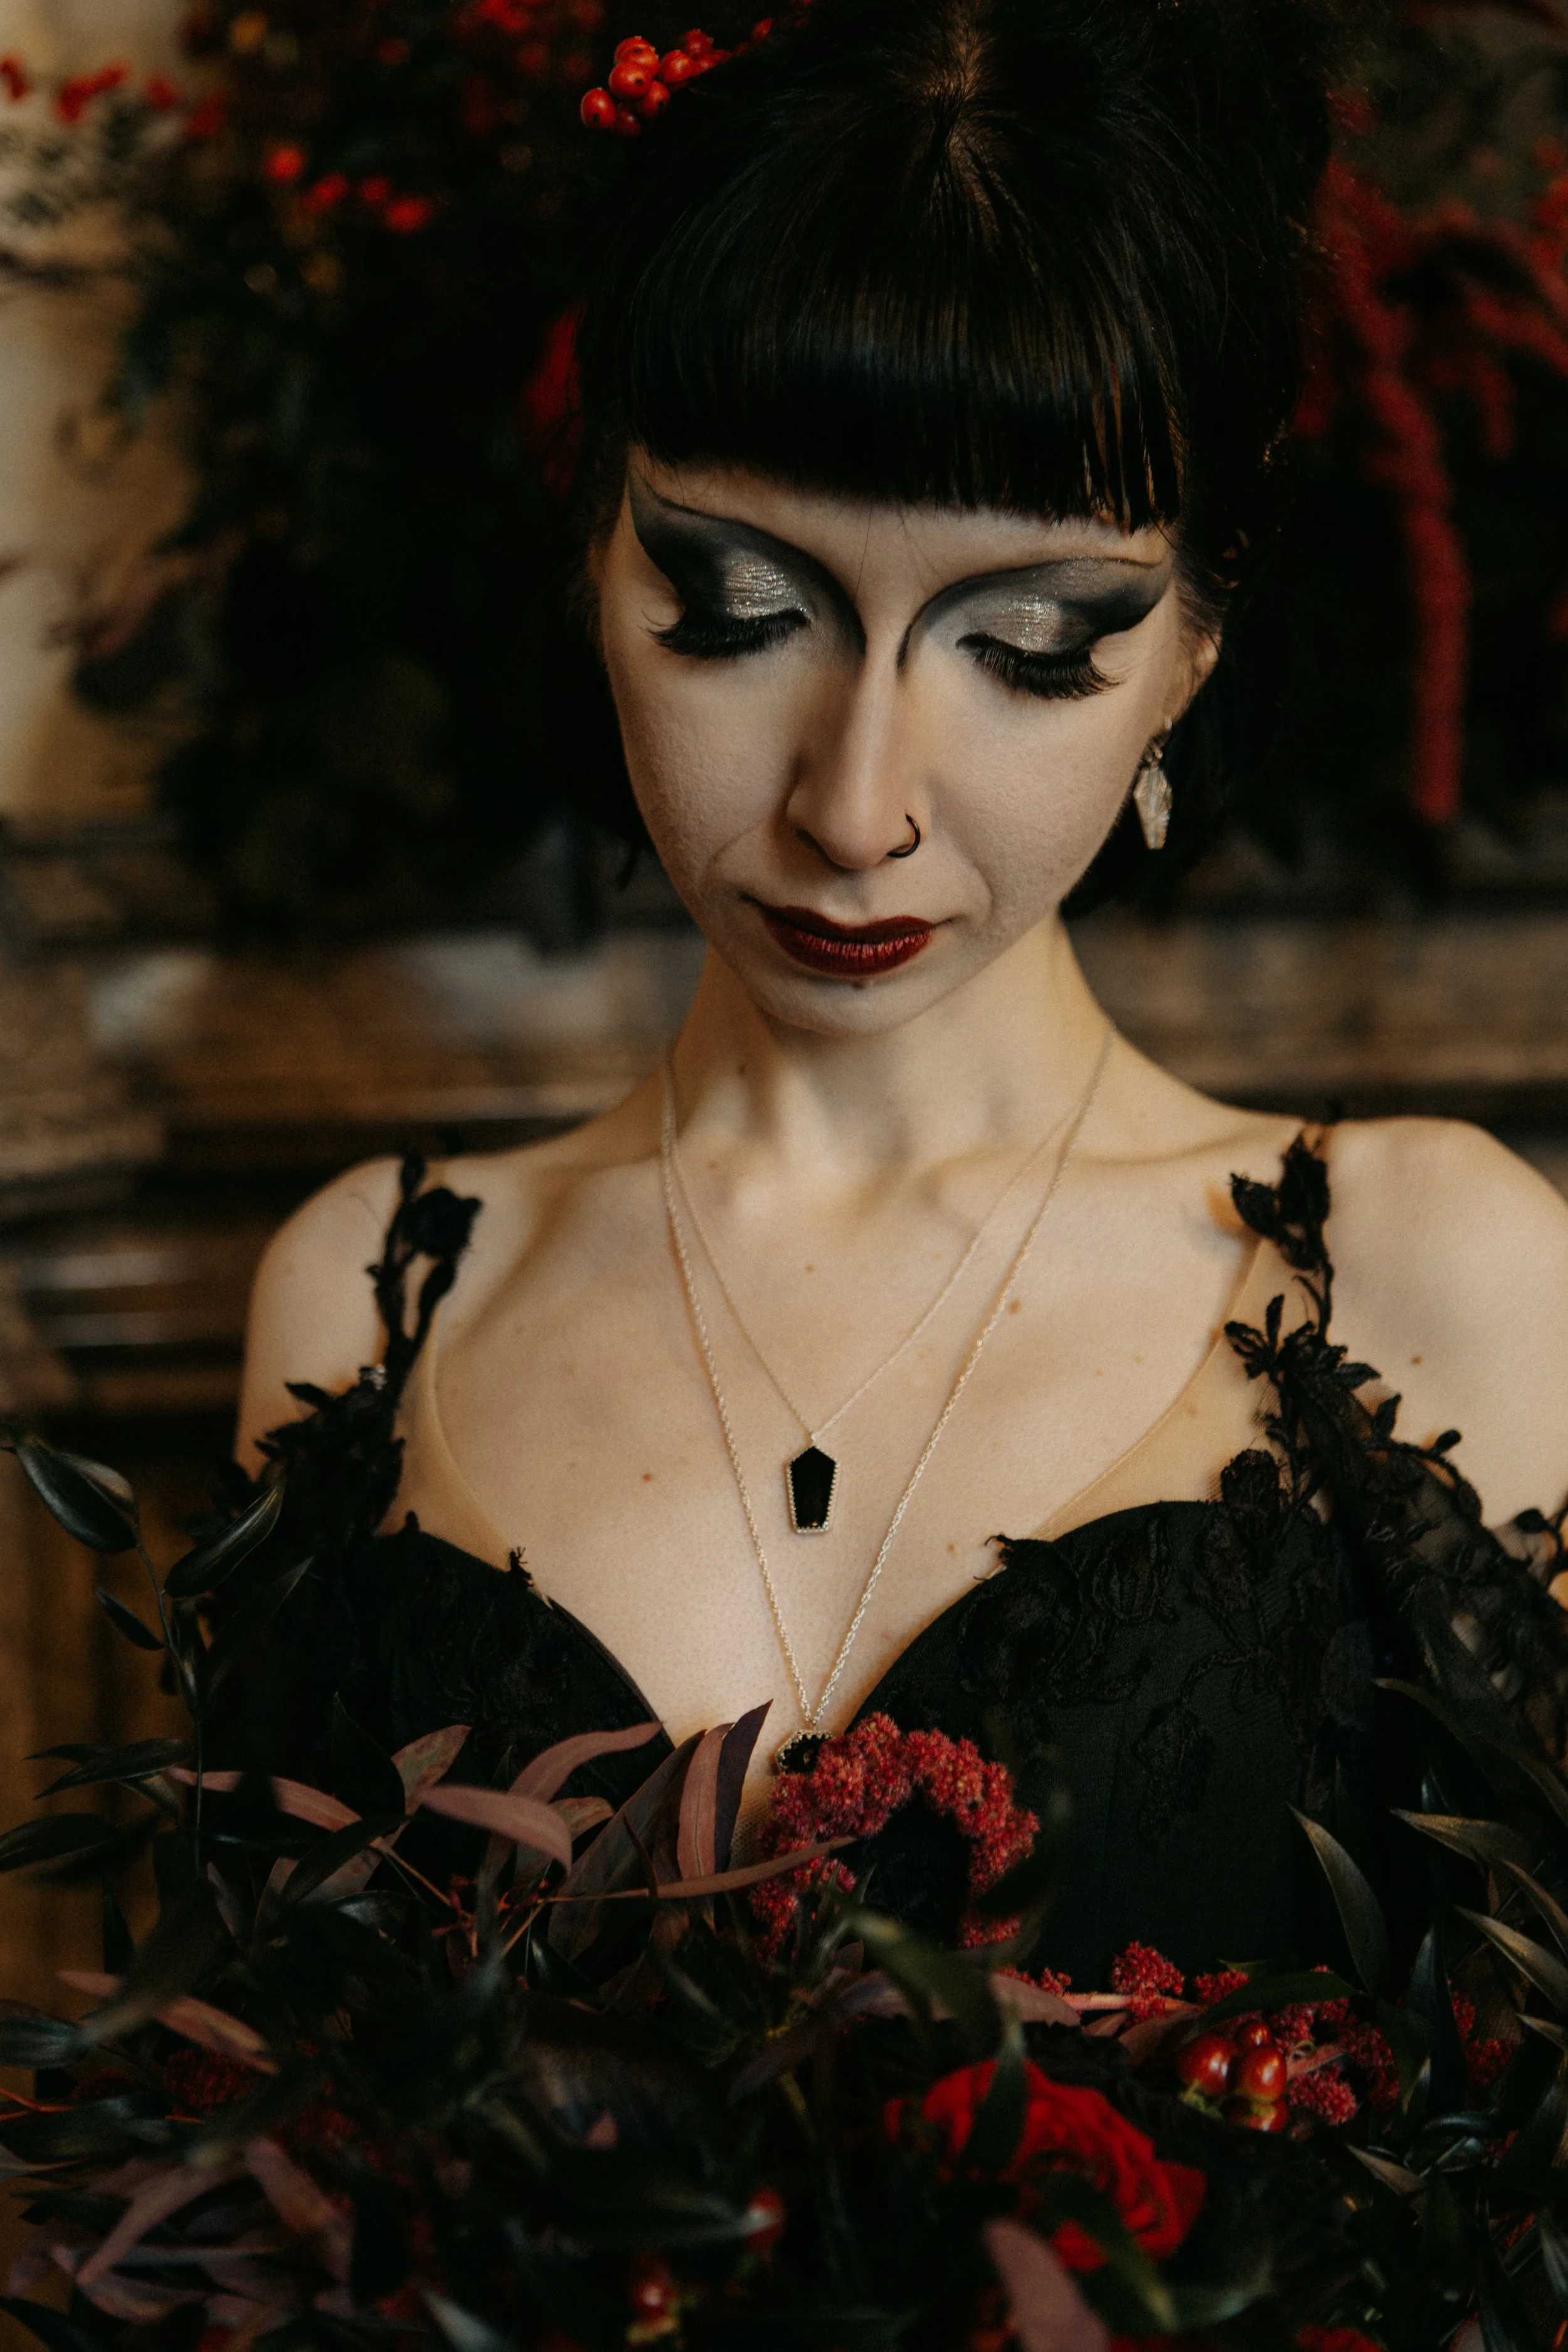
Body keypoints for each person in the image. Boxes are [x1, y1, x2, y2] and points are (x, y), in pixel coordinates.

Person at [231, 0, 1568, 1987]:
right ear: (594, 551)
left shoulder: (1425, 1269)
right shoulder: (370, 1292)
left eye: (1025, 645)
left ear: (1189, 643)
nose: (854, 807)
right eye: (738, 612)